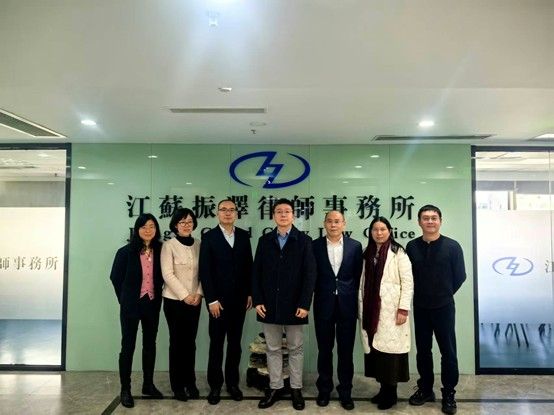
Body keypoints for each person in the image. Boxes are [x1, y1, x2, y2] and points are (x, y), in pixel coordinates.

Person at [252, 198, 317, 411]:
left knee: (295, 348)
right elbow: (256, 272)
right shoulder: (264, 241)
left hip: (295, 305)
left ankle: (296, 388)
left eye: (287, 211)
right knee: (272, 348)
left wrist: (305, 303)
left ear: (293, 215)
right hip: (268, 304)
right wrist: (258, 300)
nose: (283, 215)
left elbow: (310, 274)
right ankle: (275, 387)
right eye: (279, 211)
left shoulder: (304, 241)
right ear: (273, 216)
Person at [406, 205, 466, 415]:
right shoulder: (412, 246)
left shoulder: (452, 246)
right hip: (420, 307)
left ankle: (449, 392)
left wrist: (444, 293)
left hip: (444, 307)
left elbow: (460, 276)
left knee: (448, 352)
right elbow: (408, 277)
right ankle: (425, 389)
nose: (430, 221)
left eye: (434, 218)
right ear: (419, 222)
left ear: (440, 221)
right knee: (423, 351)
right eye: (425, 218)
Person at [199, 199, 253, 405]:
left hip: (239, 300)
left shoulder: (243, 236)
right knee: (216, 344)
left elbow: (249, 266)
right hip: (218, 302)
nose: (228, 213)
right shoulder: (209, 237)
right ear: (217, 213)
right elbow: (205, 271)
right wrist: (211, 299)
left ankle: (232, 384)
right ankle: (215, 386)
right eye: (224, 209)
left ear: (236, 213)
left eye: (231, 210)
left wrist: (250, 293)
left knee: (235, 344)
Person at [110, 213, 164, 408]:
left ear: (156, 229)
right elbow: (115, 277)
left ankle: (148, 385)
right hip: (131, 306)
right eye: (143, 227)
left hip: (152, 304)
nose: (148, 230)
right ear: (137, 229)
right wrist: (124, 300)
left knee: (150, 344)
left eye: (152, 226)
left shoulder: (161, 250)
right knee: (128, 346)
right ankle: (125, 389)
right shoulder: (125, 252)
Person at [359, 216, 413, 410]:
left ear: (389, 231)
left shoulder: (399, 253)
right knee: (378, 352)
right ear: (371, 232)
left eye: (383, 229)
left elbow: (408, 283)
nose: (379, 233)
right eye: (375, 229)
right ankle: (383, 390)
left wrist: (403, 308)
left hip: (392, 310)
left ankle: (391, 394)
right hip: (372, 311)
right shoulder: (367, 253)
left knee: (390, 354)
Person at [312, 211, 363, 411]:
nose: (333, 225)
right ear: (324, 223)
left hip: (347, 305)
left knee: (345, 351)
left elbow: (358, 276)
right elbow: (311, 275)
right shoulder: (315, 246)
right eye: (330, 221)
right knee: (324, 350)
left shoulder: (355, 246)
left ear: (344, 224)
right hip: (323, 304)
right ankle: (324, 390)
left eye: (337, 221)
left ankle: (345, 392)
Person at [161, 208, 203, 402]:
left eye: (189, 221)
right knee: (177, 343)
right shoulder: (169, 245)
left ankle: (190, 382)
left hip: (195, 301)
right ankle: (177, 385)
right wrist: (184, 295)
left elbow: (205, 272)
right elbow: (167, 274)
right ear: (175, 225)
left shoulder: (199, 244)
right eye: (182, 222)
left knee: (190, 343)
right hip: (174, 301)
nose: (186, 225)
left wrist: (199, 293)